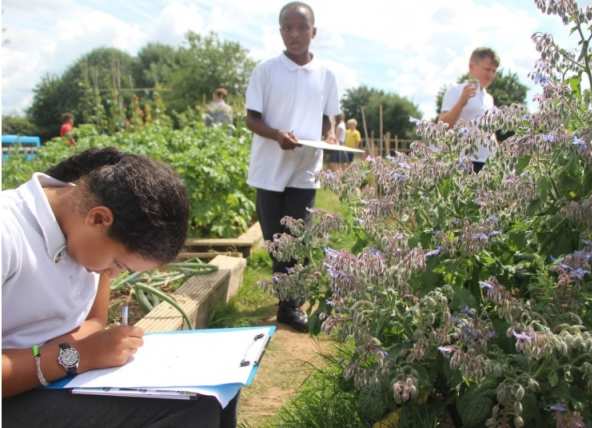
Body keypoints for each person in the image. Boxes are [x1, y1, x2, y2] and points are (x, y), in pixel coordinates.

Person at [2, 148, 238, 427]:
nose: (111, 274)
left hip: (48, 378)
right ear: (98, 218)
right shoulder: (8, 234)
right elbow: (80, 347)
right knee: (189, 410)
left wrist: (87, 350)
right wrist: (77, 356)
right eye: (118, 263)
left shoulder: (85, 240)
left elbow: (94, 319)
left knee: (214, 391)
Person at [245, 1, 340, 332]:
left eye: (302, 27)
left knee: (296, 236)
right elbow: (251, 119)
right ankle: (289, 297)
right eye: (288, 27)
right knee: (274, 238)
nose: (295, 34)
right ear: (280, 31)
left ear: (314, 31)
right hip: (270, 166)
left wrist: (328, 133)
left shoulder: (326, 75)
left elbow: (331, 116)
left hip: (305, 167)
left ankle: (290, 305)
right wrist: (276, 135)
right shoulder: (266, 71)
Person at [438, 47, 499, 172]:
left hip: (487, 162)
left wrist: (499, 154)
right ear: (472, 66)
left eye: (494, 71)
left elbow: (489, 132)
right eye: (487, 69)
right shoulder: (455, 90)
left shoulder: (489, 98)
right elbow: (442, 126)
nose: (491, 75)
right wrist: (461, 102)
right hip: (462, 161)